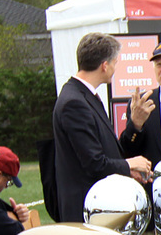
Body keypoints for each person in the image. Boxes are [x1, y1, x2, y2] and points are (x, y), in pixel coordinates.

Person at [52, 31, 151, 222]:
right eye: (115, 63)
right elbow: (94, 163)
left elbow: (104, 152)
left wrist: (127, 170)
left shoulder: (84, 96)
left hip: (99, 206)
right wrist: (130, 164)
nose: (115, 69)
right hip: (87, 211)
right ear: (104, 66)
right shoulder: (74, 102)